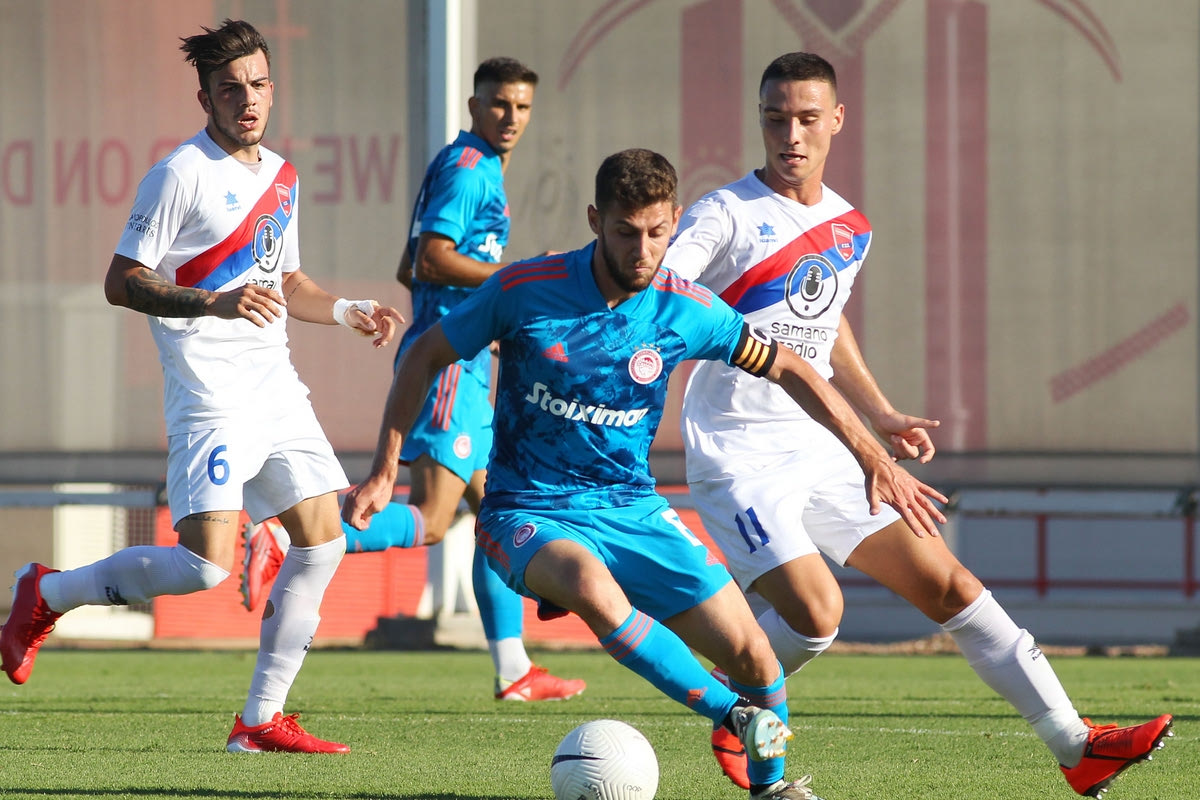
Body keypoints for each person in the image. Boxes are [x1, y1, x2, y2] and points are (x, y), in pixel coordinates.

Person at [344, 147, 949, 800]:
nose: (643, 250)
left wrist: (870, 453)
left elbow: (791, 367)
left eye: (658, 232)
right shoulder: (526, 289)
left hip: (631, 506)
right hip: (528, 507)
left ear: (675, 221)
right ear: (595, 221)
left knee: (756, 656)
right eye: (626, 232)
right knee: (588, 583)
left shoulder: (686, 308)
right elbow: (425, 353)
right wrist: (383, 469)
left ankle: (771, 788)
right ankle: (730, 714)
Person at [662, 51, 1173, 798]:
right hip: (737, 454)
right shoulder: (725, 214)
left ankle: (1077, 745)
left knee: (951, 586)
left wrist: (880, 411)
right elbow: (663, 286)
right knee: (817, 614)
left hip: (823, 442)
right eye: (776, 118)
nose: (791, 135)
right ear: (760, 120)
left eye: (807, 118)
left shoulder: (849, 226)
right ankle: (737, 706)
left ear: (838, 120)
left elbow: (826, 323)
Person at [0, 19, 404, 754]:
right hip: (210, 396)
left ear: (272, 89)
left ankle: (259, 721)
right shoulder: (179, 173)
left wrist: (347, 310)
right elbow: (122, 281)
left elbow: (285, 280)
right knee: (205, 567)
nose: (246, 100)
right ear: (205, 98)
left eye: (257, 85)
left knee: (324, 543)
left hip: (275, 386)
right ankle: (46, 592)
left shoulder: (281, 175)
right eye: (229, 89)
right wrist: (213, 303)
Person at [240, 57, 584, 703]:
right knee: (431, 519)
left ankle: (513, 670)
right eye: (499, 104)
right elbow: (430, 260)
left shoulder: (471, 165)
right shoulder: (471, 169)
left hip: (467, 362)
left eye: (522, 107)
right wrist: (518, 280)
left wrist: (485, 308)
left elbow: (409, 265)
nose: (511, 117)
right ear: (474, 105)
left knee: (500, 511)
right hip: (449, 367)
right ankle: (285, 535)